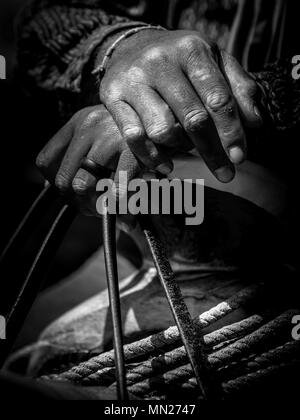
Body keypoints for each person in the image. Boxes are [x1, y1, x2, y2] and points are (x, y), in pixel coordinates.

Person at [3, 0, 300, 399]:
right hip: (147, 206)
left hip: (278, 221)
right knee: (29, 334)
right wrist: (121, 47)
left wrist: (251, 99)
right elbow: (44, 16)